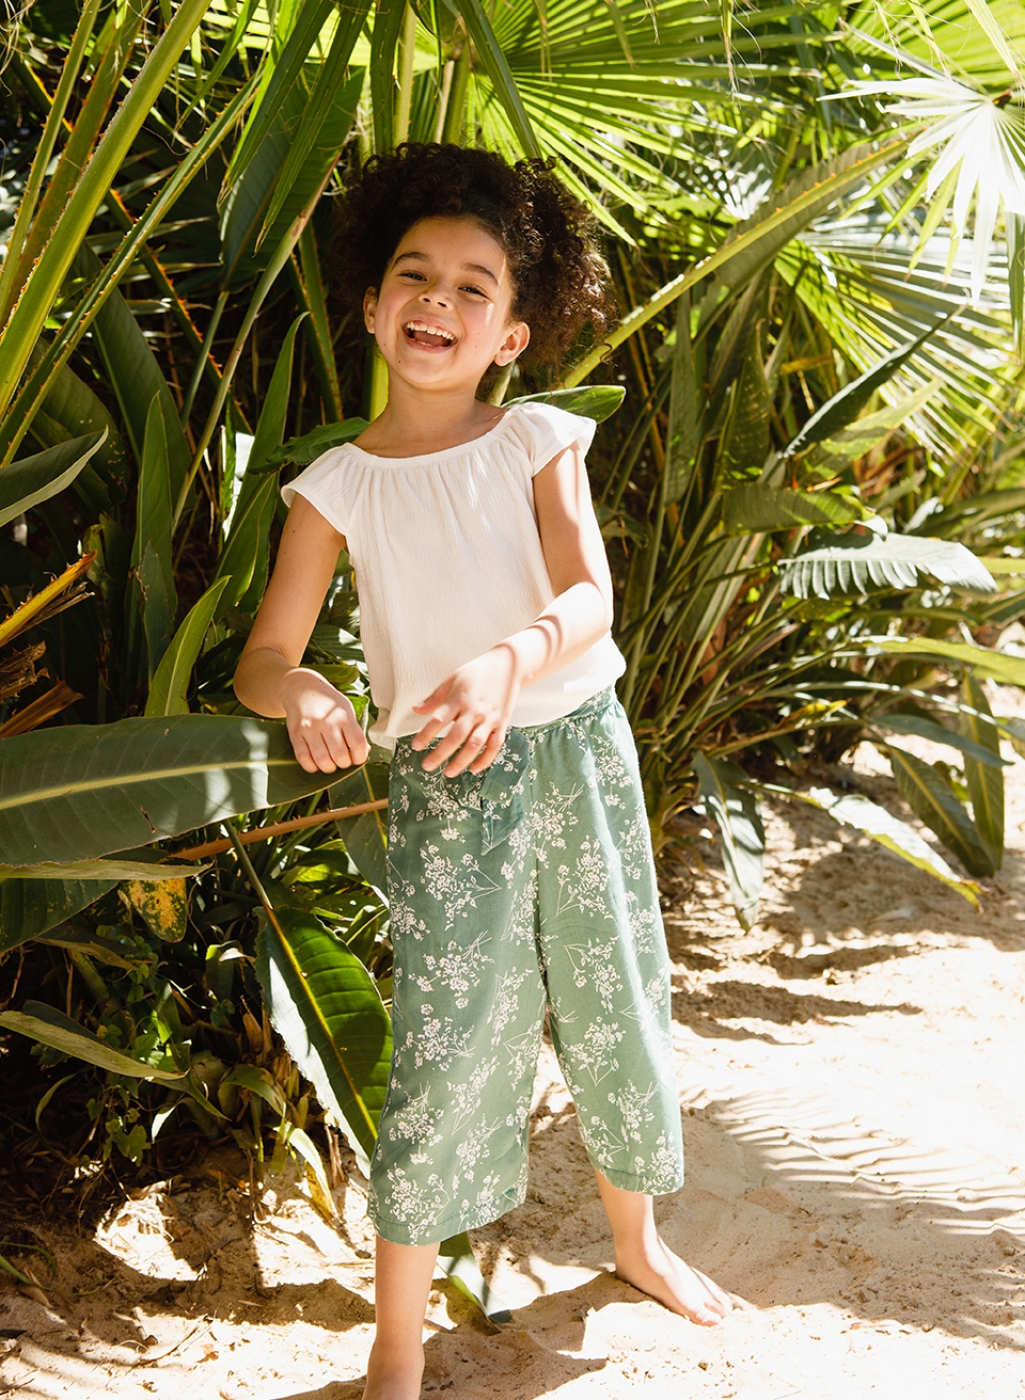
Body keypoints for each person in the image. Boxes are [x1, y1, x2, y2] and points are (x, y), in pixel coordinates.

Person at [234, 142, 732, 1400]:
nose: (437, 301)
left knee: (612, 989)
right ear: (370, 303)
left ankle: (636, 1243)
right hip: (447, 781)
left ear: (511, 334)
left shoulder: (536, 441)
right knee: (448, 1039)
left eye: (474, 286)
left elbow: (589, 598)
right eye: (414, 275)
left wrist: (509, 663)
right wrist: (300, 687)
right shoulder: (334, 488)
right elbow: (264, 656)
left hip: (575, 746)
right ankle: (395, 1345)